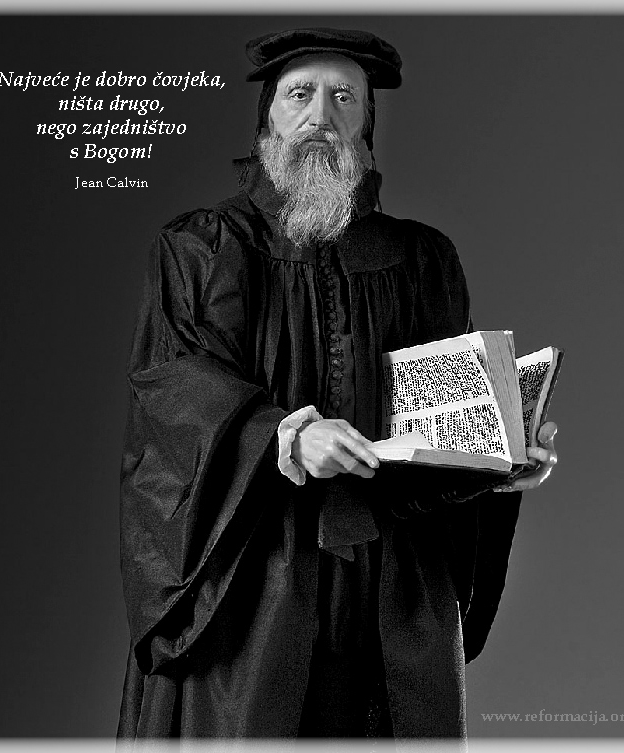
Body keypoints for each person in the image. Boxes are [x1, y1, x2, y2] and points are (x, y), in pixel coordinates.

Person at [117, 27, 558, 742]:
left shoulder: (422, 262)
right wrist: (286, 437)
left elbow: (442, 425)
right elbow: (175, 391)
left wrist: (499, 460)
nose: (320, 115)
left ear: (367, 128)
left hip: (391, 595)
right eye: (301, 94)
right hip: (252, 595)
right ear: (267, 119)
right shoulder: (202, 250)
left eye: (343, 97)